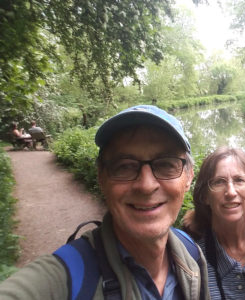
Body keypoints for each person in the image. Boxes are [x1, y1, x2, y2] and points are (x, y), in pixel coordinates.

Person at [0, 105, 210, 300]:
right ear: (101, 177)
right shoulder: (65, 279)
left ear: (189, 176)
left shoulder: (191, 253)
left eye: (166, 165)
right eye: (125, 166)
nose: (146, 186)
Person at [183, 147, 245, 299]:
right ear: (205, 196)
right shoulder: (191, 254)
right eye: (219, 182)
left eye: (239, 180)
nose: (231, 192)